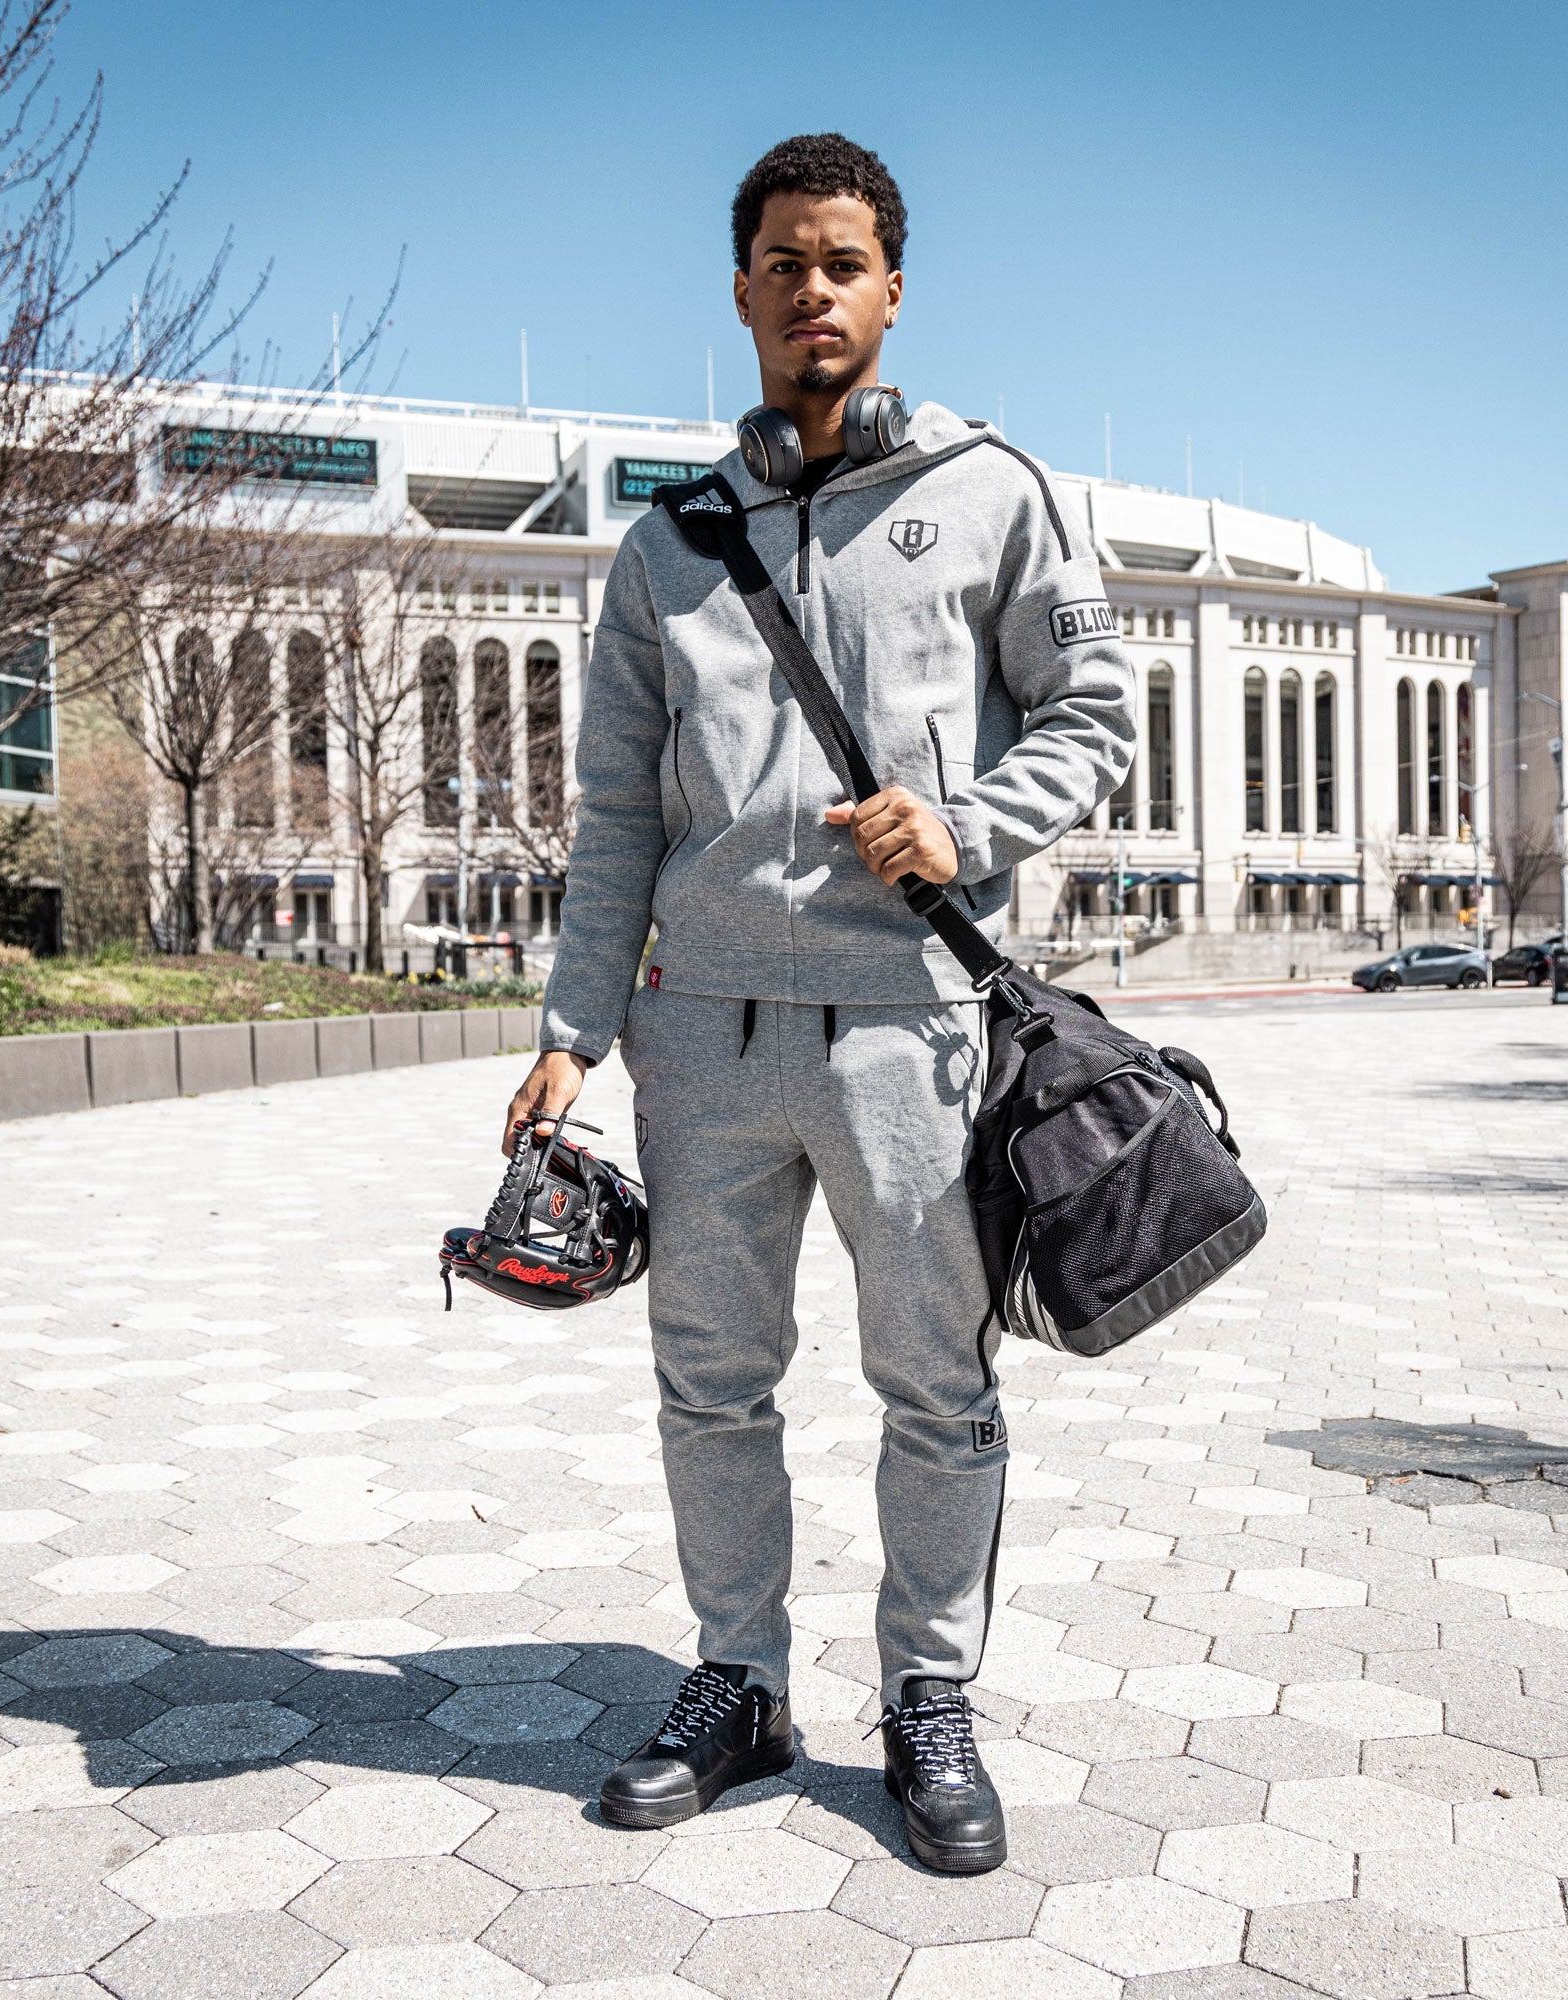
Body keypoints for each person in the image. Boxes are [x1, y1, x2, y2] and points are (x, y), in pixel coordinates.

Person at [501, 132, 1134, 1873]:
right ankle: (742, 1684)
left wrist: (970, 822)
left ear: (893, 289)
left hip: (907, 1026)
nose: (812, 289)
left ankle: (930, 1694)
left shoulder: (993, 490)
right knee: (711, 1382)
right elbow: (617, 809)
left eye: (842, 260)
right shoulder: (666, 545)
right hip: (698, 1034)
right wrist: (570, 1030)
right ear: (741, 290)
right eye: (782, 259)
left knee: (936, 1384)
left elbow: (1094, 713)